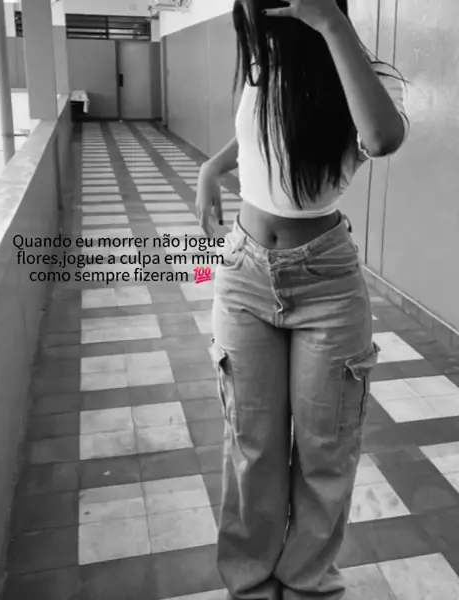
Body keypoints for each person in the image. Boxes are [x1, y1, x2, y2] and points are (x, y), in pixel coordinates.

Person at [195, 1, 409, 599]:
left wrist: (332, 24)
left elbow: (382, 137)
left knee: (325, 451)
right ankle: (250, 583)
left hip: (327, 284)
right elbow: (258, 132)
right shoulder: (264, 65)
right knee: (251, 445)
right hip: (243, 274)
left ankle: (308, 583)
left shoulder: (368, 76)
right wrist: (212, 167)